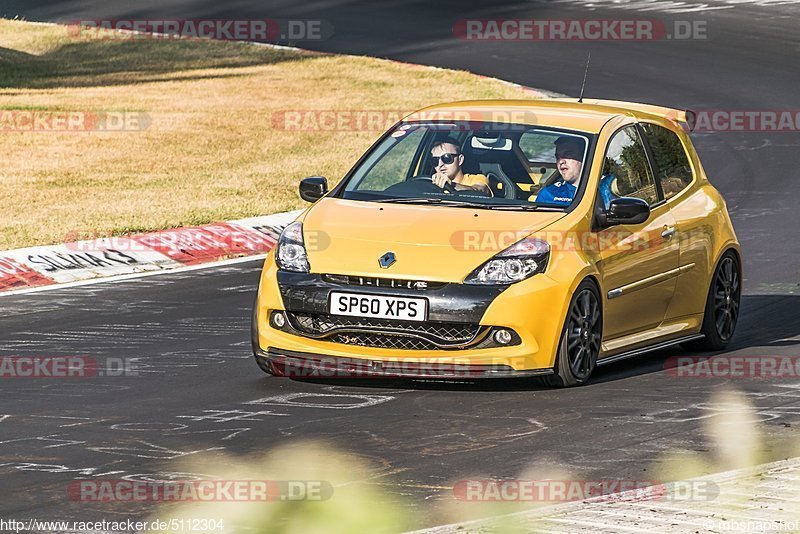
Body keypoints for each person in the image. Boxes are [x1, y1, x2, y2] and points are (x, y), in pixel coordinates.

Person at [535, 136, 585, 206]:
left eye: (567, 155)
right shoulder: (549, 194)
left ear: (583, 157)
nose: (561, 161)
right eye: (558, 157)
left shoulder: (602, 190)